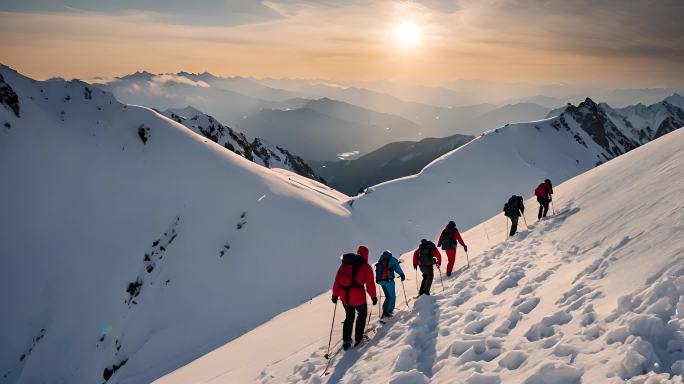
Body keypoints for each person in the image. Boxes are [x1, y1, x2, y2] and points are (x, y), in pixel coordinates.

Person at [332, 245, 378, 350]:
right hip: (358, 298)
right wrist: (374, 297)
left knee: (349, 317)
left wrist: (335, 295)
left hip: (345, 298)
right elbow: (370, 285)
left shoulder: (345, 264)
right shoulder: (366, 267)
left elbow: (337, 281)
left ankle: (346, 340)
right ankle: (358, 338)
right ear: (367, 255)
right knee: (362, 315)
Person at [374, 250, 406, 319]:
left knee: (388, 297)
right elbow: (397, 268)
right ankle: (388, 313)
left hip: (381, 281)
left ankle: (385, 312)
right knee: (392, 297)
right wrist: (402, 275)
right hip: (388, 281)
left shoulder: (381, 261)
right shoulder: (392, 259)